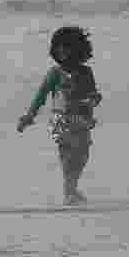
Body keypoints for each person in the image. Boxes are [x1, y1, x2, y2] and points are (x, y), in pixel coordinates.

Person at [17, 26, 103, 205]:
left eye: (67, 47)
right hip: (61, 120)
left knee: (82, 155)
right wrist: (29, 116)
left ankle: (71, 187)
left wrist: (94, 100)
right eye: (58, 47)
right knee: (67, 154)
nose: (62, 51)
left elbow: (93, 93)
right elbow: (40, 95)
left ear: (78, 49)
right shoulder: (54, 73)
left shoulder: (86, 72)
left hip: (82, 119)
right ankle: (69, 191)